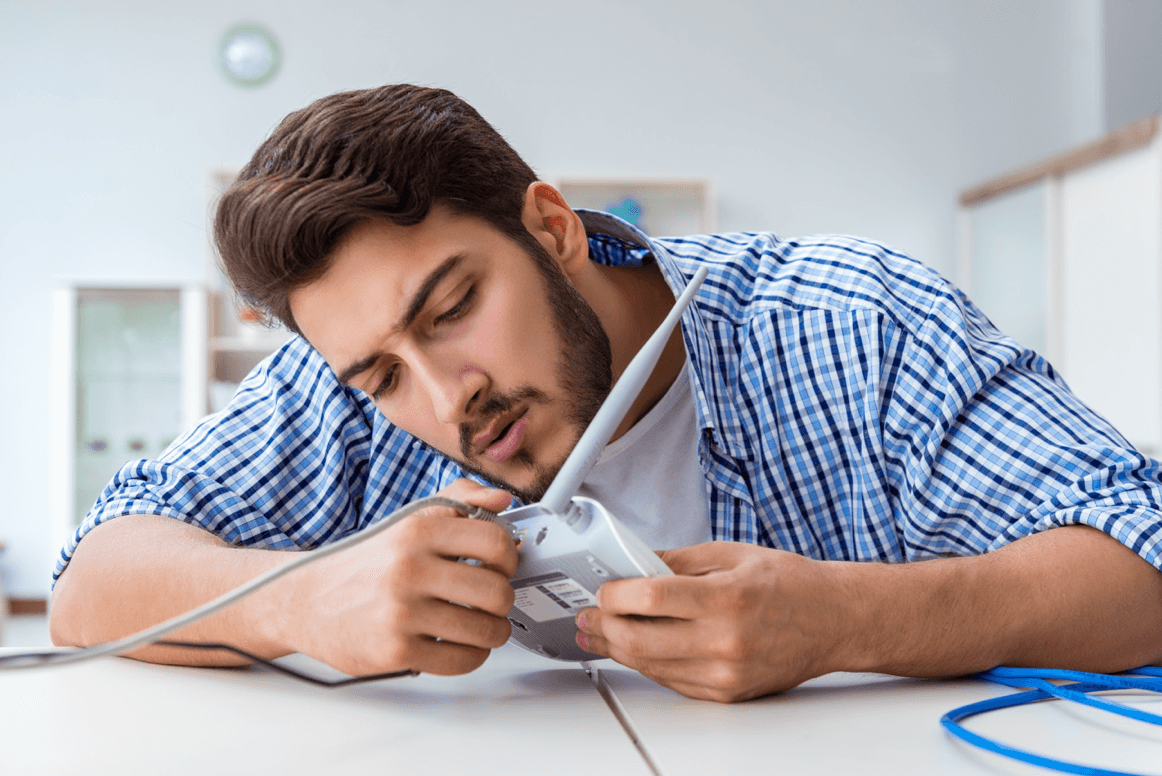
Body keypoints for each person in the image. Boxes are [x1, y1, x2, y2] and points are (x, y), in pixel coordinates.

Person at [50, 84, 1162, 703]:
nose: (447, 397)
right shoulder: (344, 381)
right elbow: (92, 581)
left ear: (550, 226)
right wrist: (298, 600)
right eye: (384, 373)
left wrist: (845, 620)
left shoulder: (852, 320)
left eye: (452, 307)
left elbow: (1141, 553)